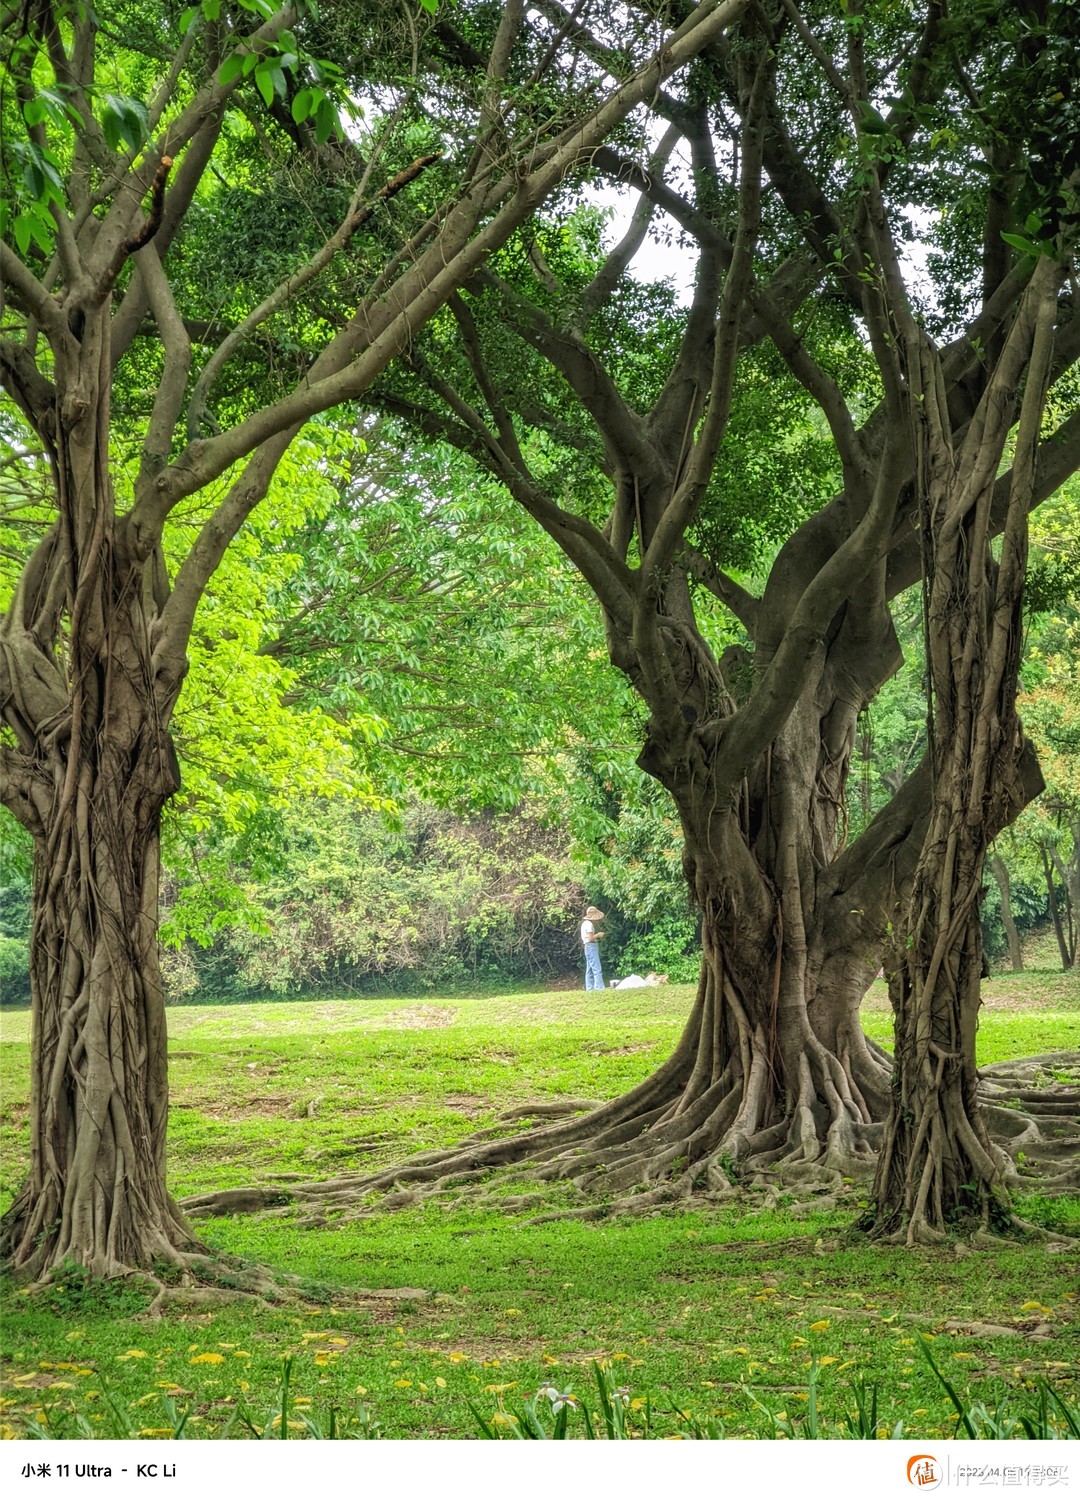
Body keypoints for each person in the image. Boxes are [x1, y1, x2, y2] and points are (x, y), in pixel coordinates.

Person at [580, 905, 606, 991]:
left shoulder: (585, 924)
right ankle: (599, 987)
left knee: (590, 969)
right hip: (591, 946)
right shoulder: (589, 924)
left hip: (587, 947)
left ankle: (590, 988)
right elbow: (590, 938)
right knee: (596, 968)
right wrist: (598, 935)